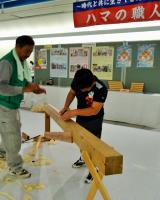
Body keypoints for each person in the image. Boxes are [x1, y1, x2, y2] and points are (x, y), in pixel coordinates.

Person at [0, 35, 46, 179]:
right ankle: (15, 168)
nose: (28, 55)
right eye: (26, 51)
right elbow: (1, 87)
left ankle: (3, 150)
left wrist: (32, 88)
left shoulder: (20, 62)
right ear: (18, 47)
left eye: (31, 52)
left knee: (10, 131)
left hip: (12, 104)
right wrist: (23, 90)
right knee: (13, 137)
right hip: (4, 105)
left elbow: (21, 81)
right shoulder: (7, 62)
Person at [60, 68, 108, 184]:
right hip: (81, 115)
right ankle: (84, 158)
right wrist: (66, 107)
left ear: (92, 83)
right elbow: (72, 92)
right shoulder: (78, 80)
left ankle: (94, 168)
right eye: (79, 88)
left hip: (94, 119)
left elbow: (94, 110)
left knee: (93, 143)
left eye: (84, 89)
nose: (80, 91)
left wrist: (72, 112)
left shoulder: (101, 88)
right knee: (81, 140)